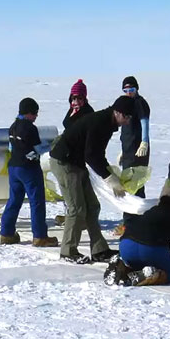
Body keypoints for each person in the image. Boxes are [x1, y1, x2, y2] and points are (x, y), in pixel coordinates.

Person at [49, 95, 135, 263]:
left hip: (77, 163)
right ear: (117, 112)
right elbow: (91, 155)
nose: (128, 121)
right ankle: (68, 251)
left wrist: (110, 173)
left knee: (93, 206)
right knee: (77, 208)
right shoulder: (100, 123)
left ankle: (99, 250)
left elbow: (96, 154)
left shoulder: (108, 123)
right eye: (127, 116)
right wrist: (110, 179)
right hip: (64, 162)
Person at [0, 98, 59, 247]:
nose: (36, 116)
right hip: (29, 168)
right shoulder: (30, 128)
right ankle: (40, 236)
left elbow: (14, 148)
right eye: (35, 113)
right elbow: (37, 149)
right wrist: (53, 146)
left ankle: (6, 233)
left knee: (14, 200)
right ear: (29, 112)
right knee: (36, 201)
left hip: (13, 167)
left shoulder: (13, 126)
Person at [104, 188, 170, 286]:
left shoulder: (149, 211)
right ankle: (151, 274)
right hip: (151, 250)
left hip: (126, 247)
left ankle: (122, 267)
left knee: (139, 265)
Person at [115, 75, 152, 234]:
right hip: (128, 149)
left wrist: (144, 142)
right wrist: (123, 151)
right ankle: (134, 220)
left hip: (138, 150)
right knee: (130, 186)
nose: (129, 92)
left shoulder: (139, 103)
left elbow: (144, 122)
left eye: (132, 89)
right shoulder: (126, 104)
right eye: (126, 90)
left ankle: (131, 223)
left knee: (134, 186)